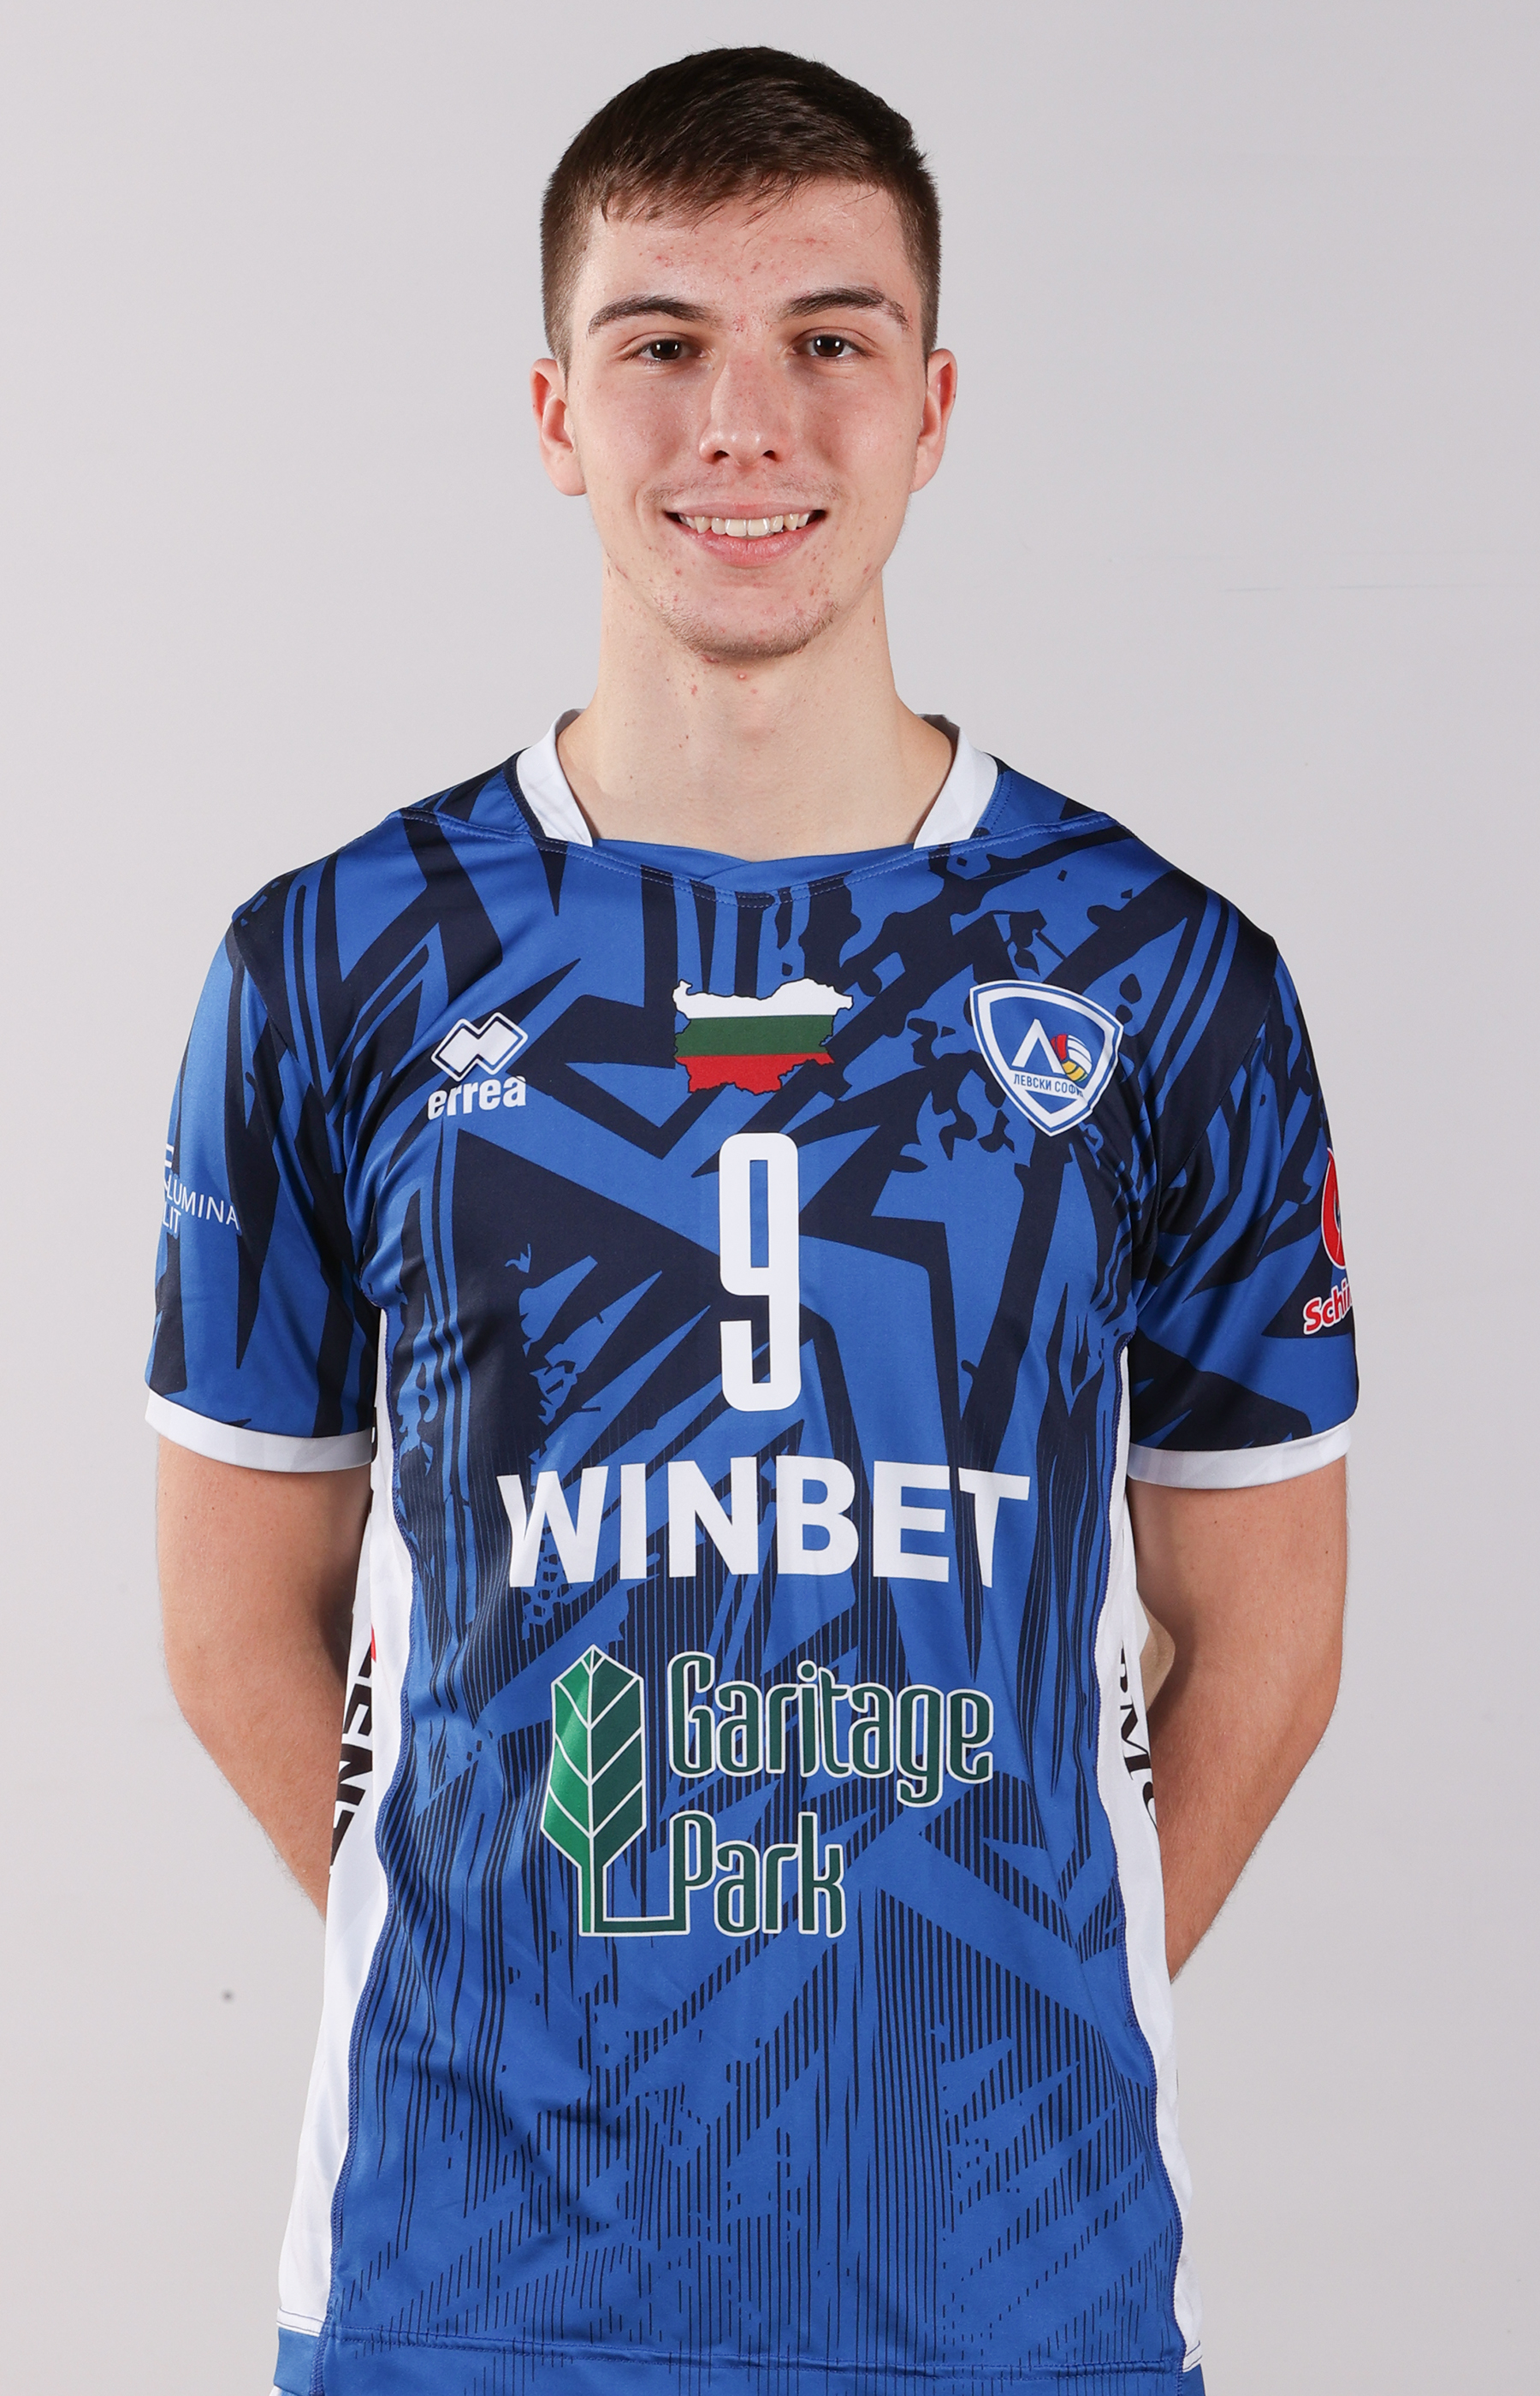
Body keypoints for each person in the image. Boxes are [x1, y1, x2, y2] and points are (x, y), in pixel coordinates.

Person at [149, 47, 1356, 2396]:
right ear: (552, 412)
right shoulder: (336, 964)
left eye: (828, 339)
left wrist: (1001, 2003)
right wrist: (520, 1992)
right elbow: (227, 1616)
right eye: (662, 343)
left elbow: (1270, 1636)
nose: (746, 423)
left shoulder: (1160, 978)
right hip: (466, 2297)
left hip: (1013, 2298)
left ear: (933, 406)